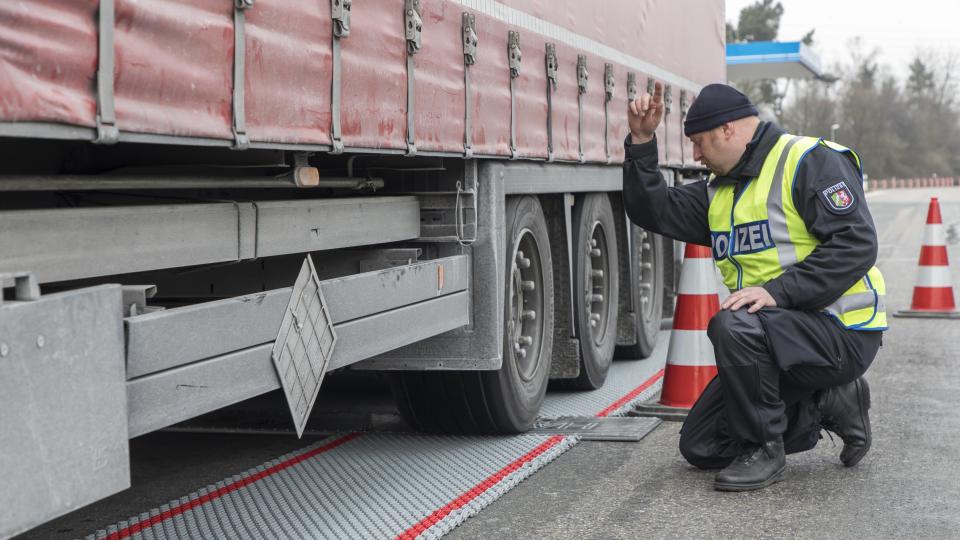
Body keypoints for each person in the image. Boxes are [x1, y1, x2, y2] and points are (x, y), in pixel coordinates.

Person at [623, 82, 886, 491]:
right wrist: (641, 142)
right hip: (772, 339)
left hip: (839, 333)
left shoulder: (808, 161)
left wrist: (779, 292)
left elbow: (857, 244)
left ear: (728, 130)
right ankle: (831, 400)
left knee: (732, 324)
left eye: (699, 142)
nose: (695, 155)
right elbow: (652, 209)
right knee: (702, 446)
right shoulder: (719, 192)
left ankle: (764, 449)